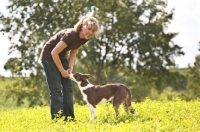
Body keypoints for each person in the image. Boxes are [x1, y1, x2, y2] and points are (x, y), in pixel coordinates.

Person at [40, 15, 100, 121]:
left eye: (93, 31)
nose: (91, 33)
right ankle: (57, 119)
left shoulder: (84, 38)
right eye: (89, 29)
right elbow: (54, 52)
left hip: (62, 57)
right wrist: (62, 71)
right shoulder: (71, 35)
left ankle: (69, 119)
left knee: (69, 88)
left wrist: (70, 68)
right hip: (49, 58)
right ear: (82, 26)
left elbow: (73, 51)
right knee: (56, 89)